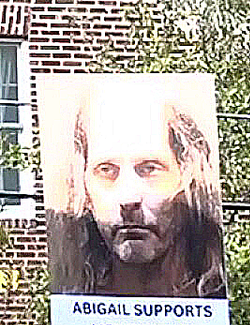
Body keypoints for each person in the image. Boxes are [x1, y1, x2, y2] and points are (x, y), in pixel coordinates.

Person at [48, 85, 226, 298]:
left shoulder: (219, 301)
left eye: (149, 168)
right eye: (107, 170)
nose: (128, 198)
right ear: (83, 186)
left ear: (187, 174)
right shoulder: (71, 307)